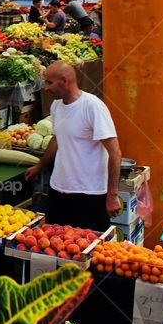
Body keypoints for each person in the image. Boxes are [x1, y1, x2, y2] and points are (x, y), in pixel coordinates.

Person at [24, 62, 121, 231]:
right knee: (55, 243)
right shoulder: (56, 106)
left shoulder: (92, 106)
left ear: (64, 81)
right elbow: (57, 139)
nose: (45, 88)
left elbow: (115, 152)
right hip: (59, 190)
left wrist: (112, 195)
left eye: (49, 82)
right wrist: (40, 165)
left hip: (89, 194)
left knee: (89, 247)